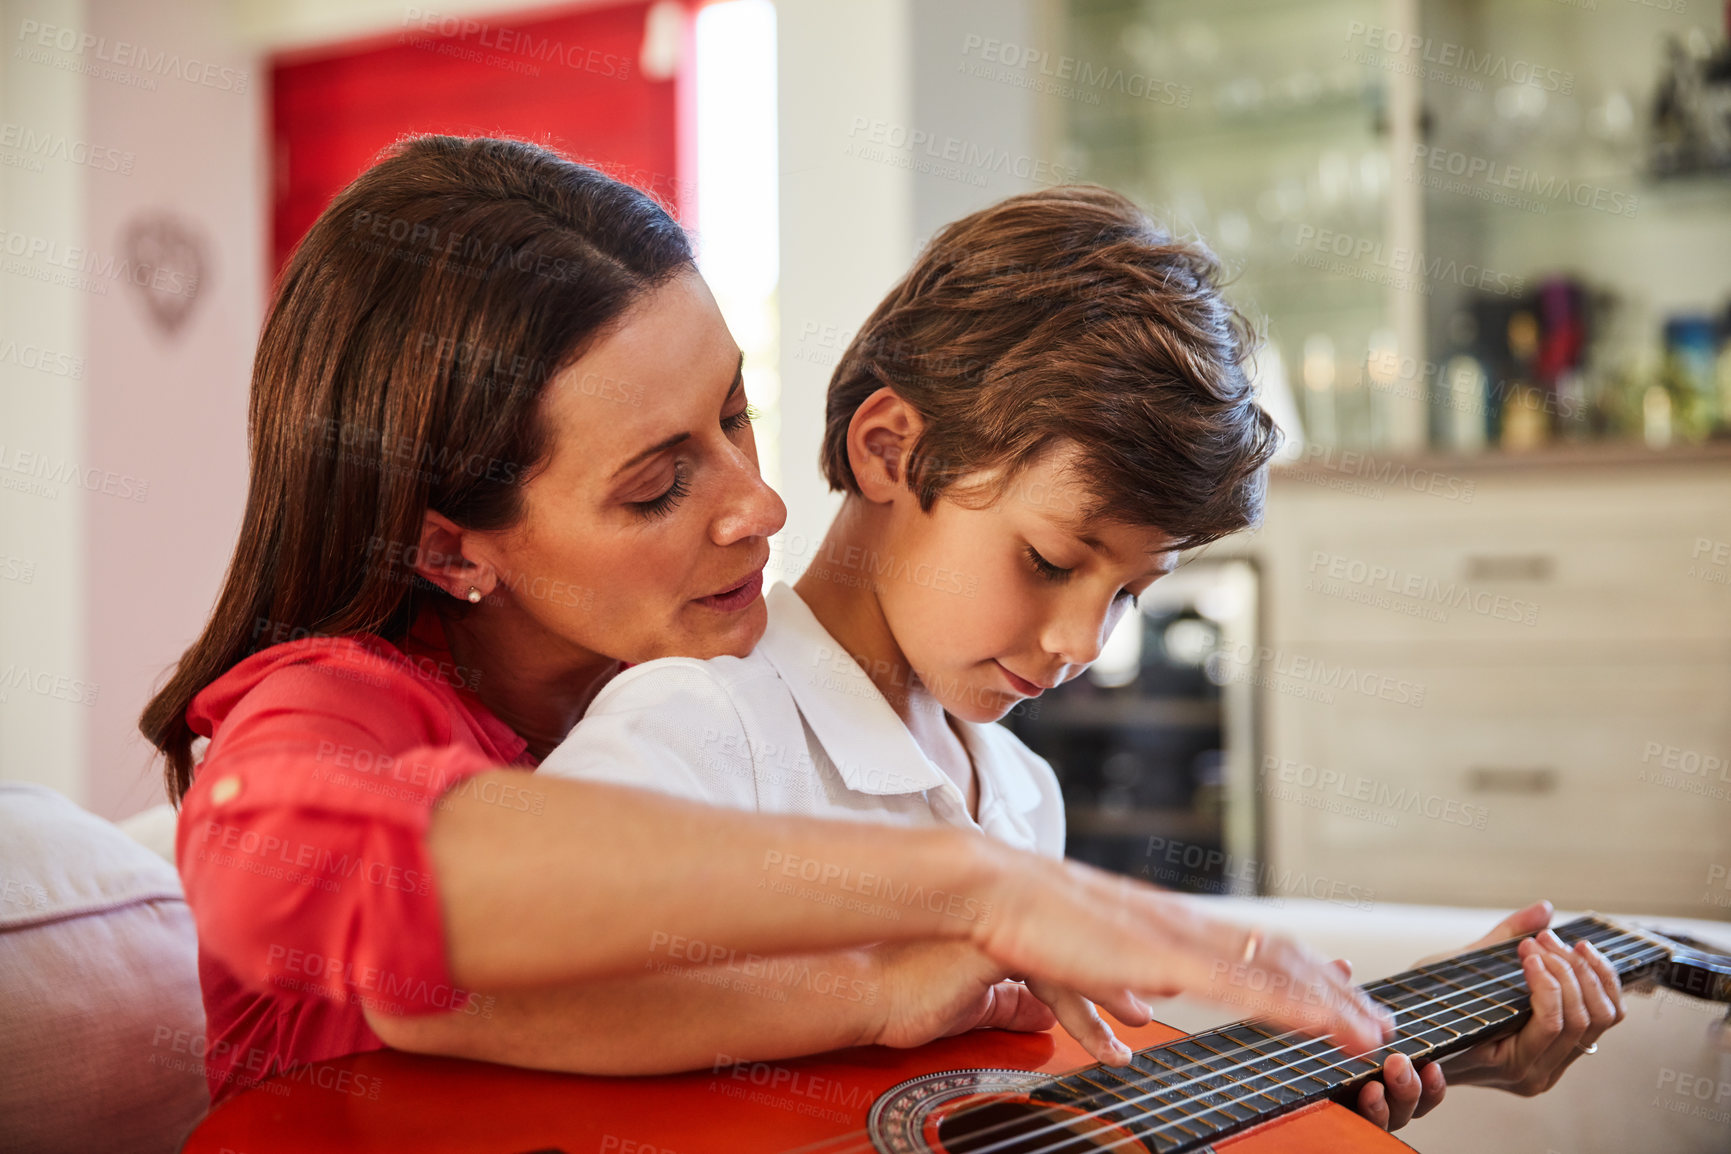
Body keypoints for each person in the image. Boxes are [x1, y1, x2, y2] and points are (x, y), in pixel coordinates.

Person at [140, 137, 1389, 1109]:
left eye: (734, 416)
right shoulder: (337, 704)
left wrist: (887, 983)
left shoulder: (659, 683)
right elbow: (286, 870)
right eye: (657, 482)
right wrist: (973, 885)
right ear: (448, 546)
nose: (764, 504)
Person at [539, 185, 1627, 1131]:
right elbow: (485, 987)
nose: (1081, 644)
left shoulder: (1021, 794)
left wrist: (1383, 1049)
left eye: (1126, 596)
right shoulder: (703, 720)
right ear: (889, 448)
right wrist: (872, 982)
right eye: (1052, 557)